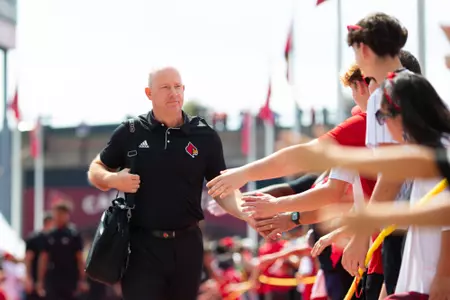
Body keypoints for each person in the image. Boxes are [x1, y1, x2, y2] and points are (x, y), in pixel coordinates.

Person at [208, 63, 379, 299]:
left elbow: (304, 161)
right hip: (365, 249)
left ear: (365, 85)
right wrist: (290, 216)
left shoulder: (367, 123)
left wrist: (245, 175)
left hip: (378, 245)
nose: (353, 103)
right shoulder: (365, 128)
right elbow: (328, 191)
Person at [87, 66, 248, 300]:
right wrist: (113, 179)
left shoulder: (205, 136)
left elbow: (222, 189)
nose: (174, 93)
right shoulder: (131, 132)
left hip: (187, 246)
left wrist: (247, 213)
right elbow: (95, 170)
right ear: (149, 93)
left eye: (178, 87)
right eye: (165, 87)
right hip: (140, 246)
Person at [37, 202, 87, 300]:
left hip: (70, 278)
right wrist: (40, 281)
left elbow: (80, 258)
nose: (59, 217)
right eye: (57, 214)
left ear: (67, 215)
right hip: (53, 277)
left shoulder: (74, 235)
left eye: (62, 214)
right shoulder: (49, 235)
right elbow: (43, 258)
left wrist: (82, 280)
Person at [24, 213, 53, 300]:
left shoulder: (54, 238)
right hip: (35, 280)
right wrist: (28, 278)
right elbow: (28, 258)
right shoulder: (34, 238)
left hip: (51, 280)